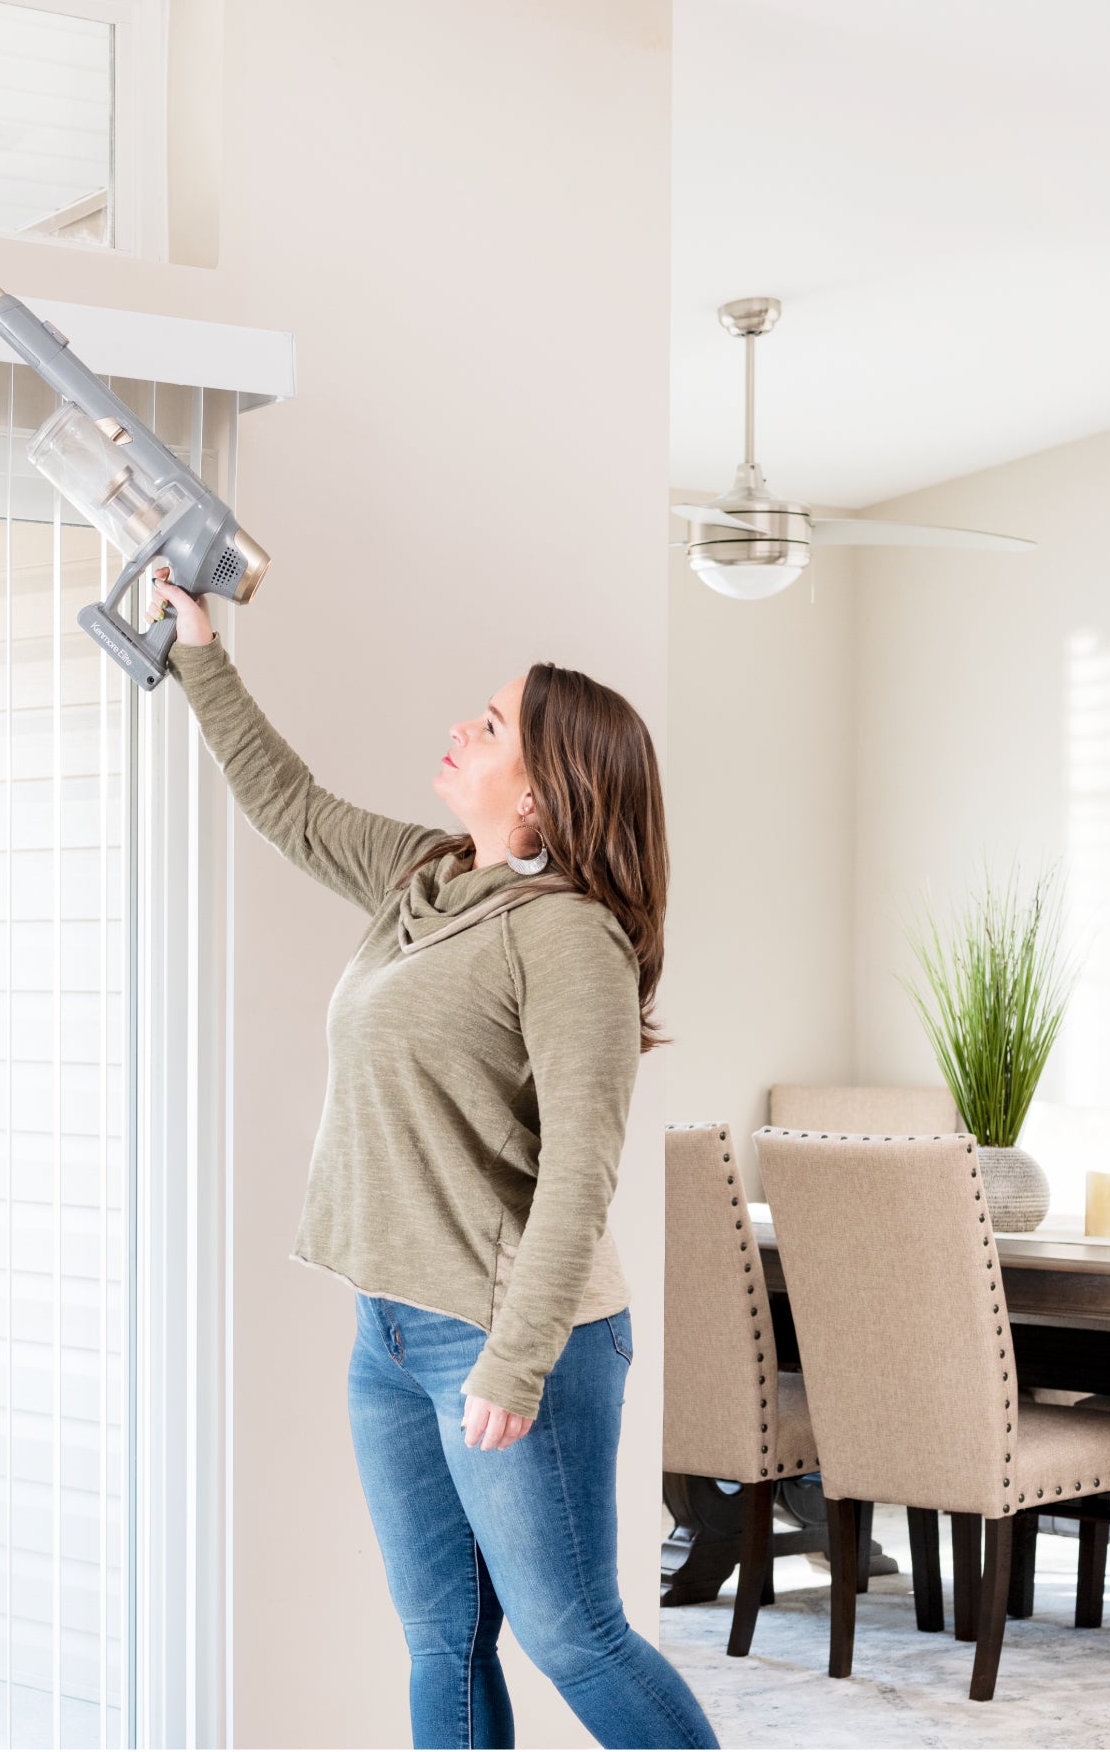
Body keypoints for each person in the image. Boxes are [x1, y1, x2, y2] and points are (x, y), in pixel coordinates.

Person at [148, 563, 719, 1752]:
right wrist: (199, 647)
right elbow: (289, 805)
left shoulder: (570, 944)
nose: (464, 726)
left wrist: (511, 1367)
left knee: (575, 1637)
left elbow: (580, 1170)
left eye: (496, 722)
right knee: (442, 1639)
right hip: (392, 1332)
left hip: (517, 1340)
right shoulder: (427, 879)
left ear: (547, 798)